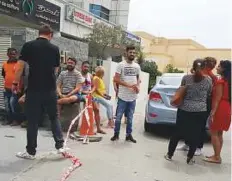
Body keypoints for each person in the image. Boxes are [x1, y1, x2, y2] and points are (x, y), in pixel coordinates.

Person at [12, 25, 65, 159]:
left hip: (34, 89)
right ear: (50, 35)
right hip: (50, 89)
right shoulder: (54, 49)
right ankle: (60, 147)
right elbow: (56, 70)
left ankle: (30, 152)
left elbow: (19, 67)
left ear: (39, 33)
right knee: (54, 117)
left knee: (33, 121)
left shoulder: (28, 46)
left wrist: (15, 83)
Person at [165, 59, 212, 165]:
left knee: (177, 132)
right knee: (195, 134)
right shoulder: (208, 80)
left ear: (193, 67)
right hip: (200, 111)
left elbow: (181, 90)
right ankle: (190, 158)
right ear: (204, 68)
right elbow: (209, 93)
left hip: (184, 109)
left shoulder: (186, 78)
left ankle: (169, 154)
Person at [177, 57, 218, 156]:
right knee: (189, 125)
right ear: (205, 63)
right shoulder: (195, 73)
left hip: (205, 103)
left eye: (214, 63)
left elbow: (211, 92)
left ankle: (198, 147)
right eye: (210, 62)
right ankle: (187, 144)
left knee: (200, 127)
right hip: (193, 103)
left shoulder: (212, 77)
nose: (212, 64)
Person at [111, 45, 141, 143]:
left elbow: (138, 79)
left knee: (130, 118)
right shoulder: (121, 65)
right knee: (119, 118)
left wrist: (137, 86)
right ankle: (116, 134)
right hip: (122, 97)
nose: (132, 54)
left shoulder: (137, 66)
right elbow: (116, 79)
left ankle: (129, 135)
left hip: (133, 97)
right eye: (130, 52)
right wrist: (128, 85)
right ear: (126, 53)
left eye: (133, 52)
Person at [203, 60, 231, 164]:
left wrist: (213, 112)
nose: (217, 68)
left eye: (219, 66)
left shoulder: (221, 82)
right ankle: (217, 155)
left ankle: (217, 157)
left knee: (213, 132)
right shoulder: (228, 81)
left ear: (224, 69)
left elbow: (217, 99)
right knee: (219, 133)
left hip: (219, 107)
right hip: (226, 107)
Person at [2, 48, 22, 126]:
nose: (13, 56)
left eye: (14, 54)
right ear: (8, 55)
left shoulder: (19, 64)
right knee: (7, 105)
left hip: (15, 89)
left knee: (13, 104)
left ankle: (16, 120)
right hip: (6, 88)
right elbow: (4, 75)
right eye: (11, 54)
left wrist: (20, 87)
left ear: (16, 54)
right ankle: (9, 119)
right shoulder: (4, 64)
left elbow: (21, 77)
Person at [92, 66, 114, 134]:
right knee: (109, 105)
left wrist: (106, 95)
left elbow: (101, 89)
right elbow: (96, 89)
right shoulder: (96, 78)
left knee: (98, 110)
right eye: (102, 72)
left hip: (100, 96)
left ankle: (109, 121)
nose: (103, 74)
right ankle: (110, 122)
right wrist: (103, 96)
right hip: (96, 96)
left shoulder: (99, 79)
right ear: (99, 73)